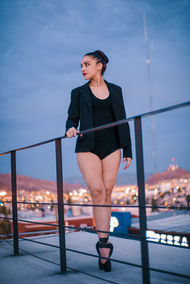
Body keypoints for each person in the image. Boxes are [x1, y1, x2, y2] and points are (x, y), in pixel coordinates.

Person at [65, 50, 132, 272]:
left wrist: (128, 150)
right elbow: (72, 117)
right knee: (96, 190)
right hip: (87, 146)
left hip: (112, 146)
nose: (83, 68)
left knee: (107, 191)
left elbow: (122, 120)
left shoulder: (116, 90)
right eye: (81, 65)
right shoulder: (78, 92)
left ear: (99, 65)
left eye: (87, 64)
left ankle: (104, 244)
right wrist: (70, 127)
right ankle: (104, 245)